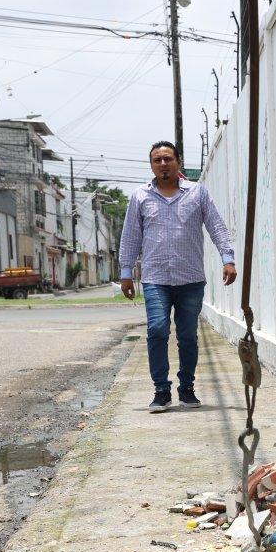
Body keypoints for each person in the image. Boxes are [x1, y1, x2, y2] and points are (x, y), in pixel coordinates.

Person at [119, 141, 238, 412]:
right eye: (157, 160)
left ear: (178, 162)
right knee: (157, 331)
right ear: (151, 165)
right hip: (155, 278)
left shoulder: (197, 193)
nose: (163, 164)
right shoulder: (140, 196)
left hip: (190, 279)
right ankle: (161, 391)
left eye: (168, 159)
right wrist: (126, 273)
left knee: (187, 336)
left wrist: (227, 259)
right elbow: (130, 237)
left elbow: (216, 226)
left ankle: (187, 388)